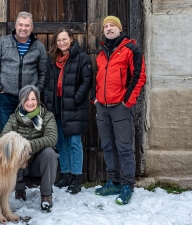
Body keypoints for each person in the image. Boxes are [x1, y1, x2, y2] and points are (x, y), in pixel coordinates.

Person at [92, 16, 146, 204]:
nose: (108, 29)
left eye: (112, 26)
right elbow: (97, 78)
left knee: (123, 147)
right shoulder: (101, 54)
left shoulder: (131, 49)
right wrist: (95, 99)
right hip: (103, 107)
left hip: (120, 107)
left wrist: (127, 102)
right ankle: (114, 181)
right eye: (106, 26)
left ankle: (127, 185)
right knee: (107, 145)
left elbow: (139, 76)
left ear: (120, 29)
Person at [44, 28, 93, 194]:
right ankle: (65, 174)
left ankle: (76, 177)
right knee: (61, 143)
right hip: (56, 106)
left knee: (74, 143)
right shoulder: (52, 59)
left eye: (64, 39)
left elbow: (87, 81)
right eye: (58, 40)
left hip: (74, 107)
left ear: (71, 39)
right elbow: (47, 82)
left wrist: (76, 98)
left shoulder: (81, 58)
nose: (62, 43)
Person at [0, 85, 58, 211]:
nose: (30, 103)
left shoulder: (47, 116)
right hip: (19, 165)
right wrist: (20, 149)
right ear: (21, 101)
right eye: (26, 99)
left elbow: (52, 138)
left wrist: (26, 146)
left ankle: (46, 196)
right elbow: (3, 139)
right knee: (11, 151)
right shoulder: (14, 118)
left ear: (38, 100)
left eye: (33, 99)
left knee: (50, 153)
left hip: (38, 164)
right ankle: (19, 189)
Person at [0, 11, 48, 133]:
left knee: (29, 133)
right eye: (21, 25)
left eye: (27, 25)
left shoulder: (39, 47)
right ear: (15, 26)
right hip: (7, 97)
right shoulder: (2, 43)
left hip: (29, 99)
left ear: (32, 27)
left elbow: (44, 72)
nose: (23, 28)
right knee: (8, 134)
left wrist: (37, 90)